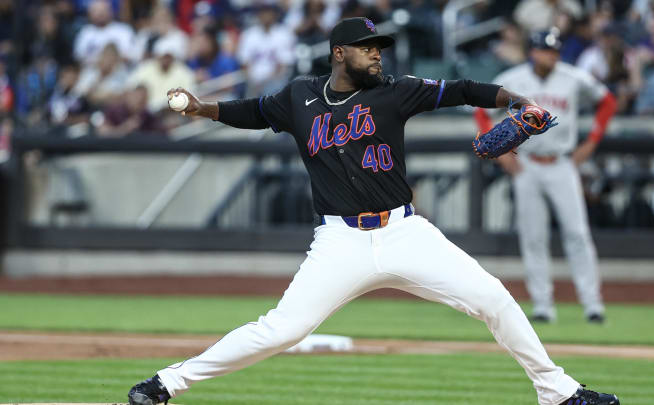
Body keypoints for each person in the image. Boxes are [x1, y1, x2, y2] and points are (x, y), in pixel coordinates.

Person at [127, 18, 620, 405]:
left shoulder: (395, 91)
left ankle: (558, 393)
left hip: (405, 232)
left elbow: (462, 89)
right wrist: (199, 109)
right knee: (282, 330)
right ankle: (166, 384)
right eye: (368, 48)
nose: (377, 55)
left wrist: (516, 100)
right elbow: (253, 111)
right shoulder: (299, 96)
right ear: (340, 53)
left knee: (493, 298)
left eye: (380, 47)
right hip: (340, 243)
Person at [475, 30, 617, 324]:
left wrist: (591, 141)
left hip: (562, 163)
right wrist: (501, 154)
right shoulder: (512, 79)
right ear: (532, 52)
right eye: (544, 51)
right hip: (526, 164)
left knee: (577, 233)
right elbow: (480, 109)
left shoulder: (574, 77)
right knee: (533, 236)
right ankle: (542, 306)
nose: (550, 56)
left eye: (554, 52)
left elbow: (608, 102)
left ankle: (592, 305)